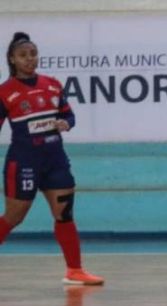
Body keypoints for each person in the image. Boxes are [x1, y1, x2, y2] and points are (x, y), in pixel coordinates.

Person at [0, 32, 103, 285]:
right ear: (12, 59)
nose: (30, 59)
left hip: (55, 160)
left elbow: (69, 116)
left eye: (33, 54)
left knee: (64, 214)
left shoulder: (53, 84)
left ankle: (75, 270)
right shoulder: (5, 92)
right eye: (23, 55)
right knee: (14, 217)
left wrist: (64, 124)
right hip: (23, 162)